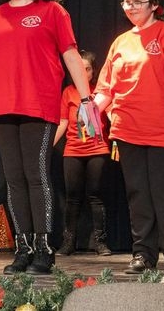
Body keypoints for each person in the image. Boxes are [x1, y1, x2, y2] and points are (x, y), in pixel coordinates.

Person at [0, 0, 93, 275]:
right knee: (13, 178)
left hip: (38, 103)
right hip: (1, 105)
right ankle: (23, 248)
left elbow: (70, 55)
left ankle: (43, 248)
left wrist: (86, 100)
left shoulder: (52, 11)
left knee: (36, 175)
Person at [94, 0, 164, 275]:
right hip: (128, 130)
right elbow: (106, 89)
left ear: (153, 4)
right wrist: (90, 111)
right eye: (126, 2)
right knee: (138, 195)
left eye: (137, 2)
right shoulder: (121, 42)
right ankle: (143, 254)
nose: (130, 7)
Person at [52, 50, 112, 257]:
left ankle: (100, 242)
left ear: (93, 71)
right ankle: (68, 242)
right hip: (73, 150)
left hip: (98, 149)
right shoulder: (68, 92)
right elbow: (63, 121)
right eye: (80, 68)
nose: (84, 72)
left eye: (87, 69)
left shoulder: (100, 92)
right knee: (72, 197)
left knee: (96, 195)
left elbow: (111, 115)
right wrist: (47, 146)